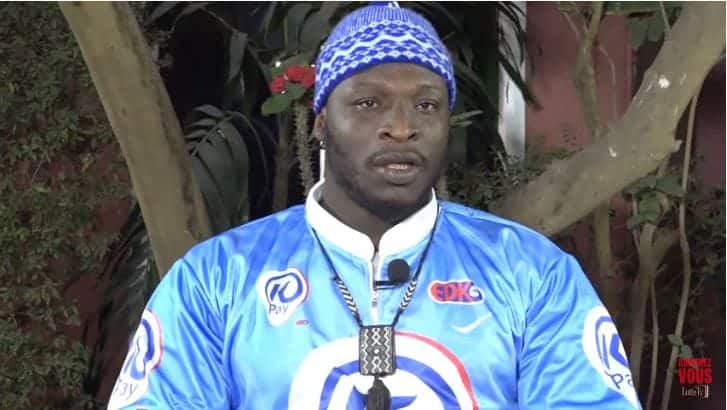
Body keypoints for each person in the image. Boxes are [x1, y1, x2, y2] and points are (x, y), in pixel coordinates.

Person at [108, 2, 641, 409]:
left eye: (426, 104)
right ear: (321, 121)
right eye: (368, 103)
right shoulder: (216, 279)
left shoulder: (532, 274)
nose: (402, 127)